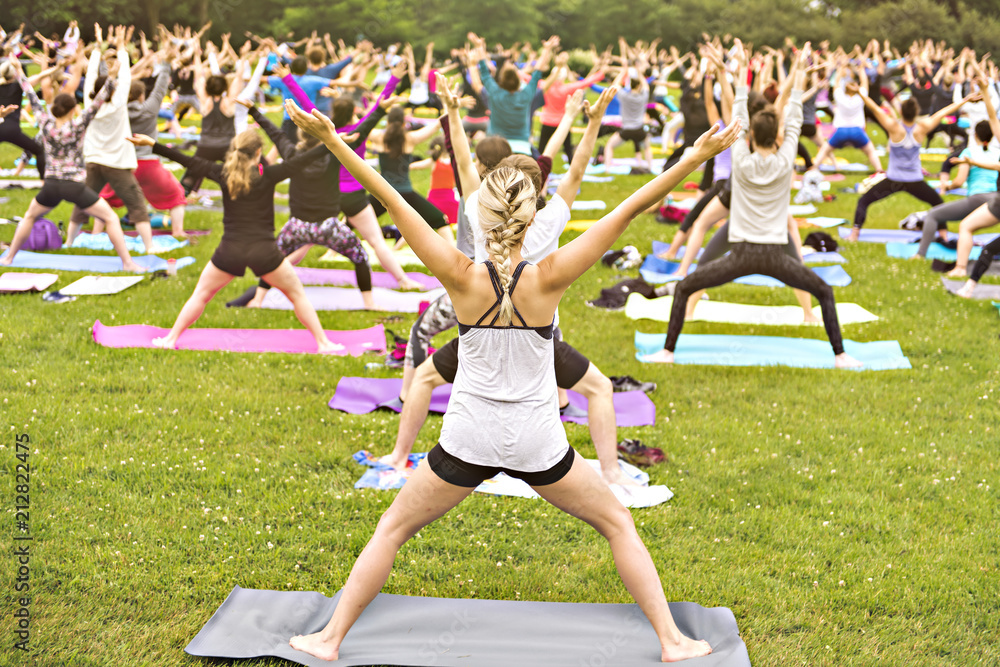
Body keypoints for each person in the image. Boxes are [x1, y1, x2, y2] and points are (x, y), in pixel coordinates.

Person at [282, 91, 736, 663]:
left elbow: (389, 196)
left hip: (466, 437)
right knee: (618, 525)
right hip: (538, 441)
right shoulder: (549, 274)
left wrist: (332, 141)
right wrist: (694, 157)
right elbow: (628, 209)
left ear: (482, 214)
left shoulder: (458, 272)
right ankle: (671, 642)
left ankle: (328, 640)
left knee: (391, 531)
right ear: (531, 217)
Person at [644, 44, 860, 368]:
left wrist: (743, 70)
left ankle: (667, 352)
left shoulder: (741, 161)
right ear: (777, 136)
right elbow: (795, 115)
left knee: (685, 286)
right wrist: (799, 71)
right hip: (775, 255)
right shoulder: (787, 159)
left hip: (742, 253)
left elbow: (740, 117)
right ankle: (840, 355)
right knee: (825, 292)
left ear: (750, 137)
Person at [126, 129, 338, 351]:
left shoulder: (221, 172)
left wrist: (153, 144)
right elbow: (303, 160)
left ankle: (170, 340)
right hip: (264, 251)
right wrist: (332, 142)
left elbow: (187, 160)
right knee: (297, 295)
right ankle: (323, 344)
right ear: (259, 152)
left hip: (231, 250)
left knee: (200, 295)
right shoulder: (270, 173)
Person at [238, 93, 393, 310]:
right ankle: (368, 303)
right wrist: (379, 110)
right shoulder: (332, 153)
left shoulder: (291, 153)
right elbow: (359, 133)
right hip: (328, 226)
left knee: (274, 259)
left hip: (297, 226)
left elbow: (274, 133)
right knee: (360, 256)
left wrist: (254, 110)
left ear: (300, 136)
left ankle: (258, 300)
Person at [0, 59, 143, 271]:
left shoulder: (45, 123)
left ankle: (9, 258)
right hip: (74, 185)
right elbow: (100, 100)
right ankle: (128, 263)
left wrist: (20, 72)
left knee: (29, 216)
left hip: (51, 184)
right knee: (111, 218)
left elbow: (30, 94)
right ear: (72, 109)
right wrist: (112, 75)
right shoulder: (78, 126)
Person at [847, 90, 977, 242]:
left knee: (864, 201)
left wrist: (860, 93)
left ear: (900, 111)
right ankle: (944, 235)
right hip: (914, 181)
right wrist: (965, 100)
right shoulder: (921, 128)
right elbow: (941, 113)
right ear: (917, 112)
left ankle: (854, 234)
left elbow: (875, 109)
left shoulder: (894, 128)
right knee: (938, 203)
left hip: (894, 180)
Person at [68, 26, 155, 255]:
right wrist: (121, 47)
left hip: (94, 161)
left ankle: (68, 243)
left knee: (82, 203)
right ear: (113, 91)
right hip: (116, 163)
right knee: (136, 204)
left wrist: (98, 47)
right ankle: (149, 247)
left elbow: (90, 81)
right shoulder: (117, 105)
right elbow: (125, 77)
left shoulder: (89, 105)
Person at [99, 49, 189, 239]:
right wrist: (166, 64)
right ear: (141, 96)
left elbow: (102, 89)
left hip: (123, 165)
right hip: (149, 165)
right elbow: (160, 88)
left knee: (103, 199)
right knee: (177, 196)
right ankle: (178, 231)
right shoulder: (149, 108)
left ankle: (96, 233)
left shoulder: (117, 110)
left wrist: (103, 64)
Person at [917, 120, 999, 258]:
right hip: (996, 198)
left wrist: (947, 186)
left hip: (977, 198)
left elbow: (959, 182)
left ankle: (920, 255)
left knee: (933, 215)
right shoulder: (997, 152)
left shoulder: (968, 153)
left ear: (975, 135)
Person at [807, 60, 882, 176]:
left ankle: (814, 167)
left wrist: (840, 67)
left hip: (841, 131)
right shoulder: (860, 97)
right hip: (857, 131)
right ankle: (879, 170)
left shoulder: (840, 96)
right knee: (871, 151)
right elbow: (864, 82)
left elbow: (836, 82)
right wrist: (861, 69)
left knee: (825, 149)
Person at [0, 60, 46, 178]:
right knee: (39, 150)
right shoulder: (18, 86)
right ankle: (43, 182)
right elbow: (39, 77)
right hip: (12, 129)